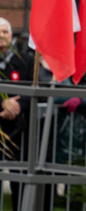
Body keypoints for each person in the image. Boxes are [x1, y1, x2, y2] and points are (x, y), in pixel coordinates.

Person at [0, 18, 33, 210]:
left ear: (11, 36)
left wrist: (17, 105)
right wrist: (2, 102)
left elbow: (34, 91)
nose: (1, 36)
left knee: (19, 178)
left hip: (20, 130)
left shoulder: (25, 61)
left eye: (5, 32)